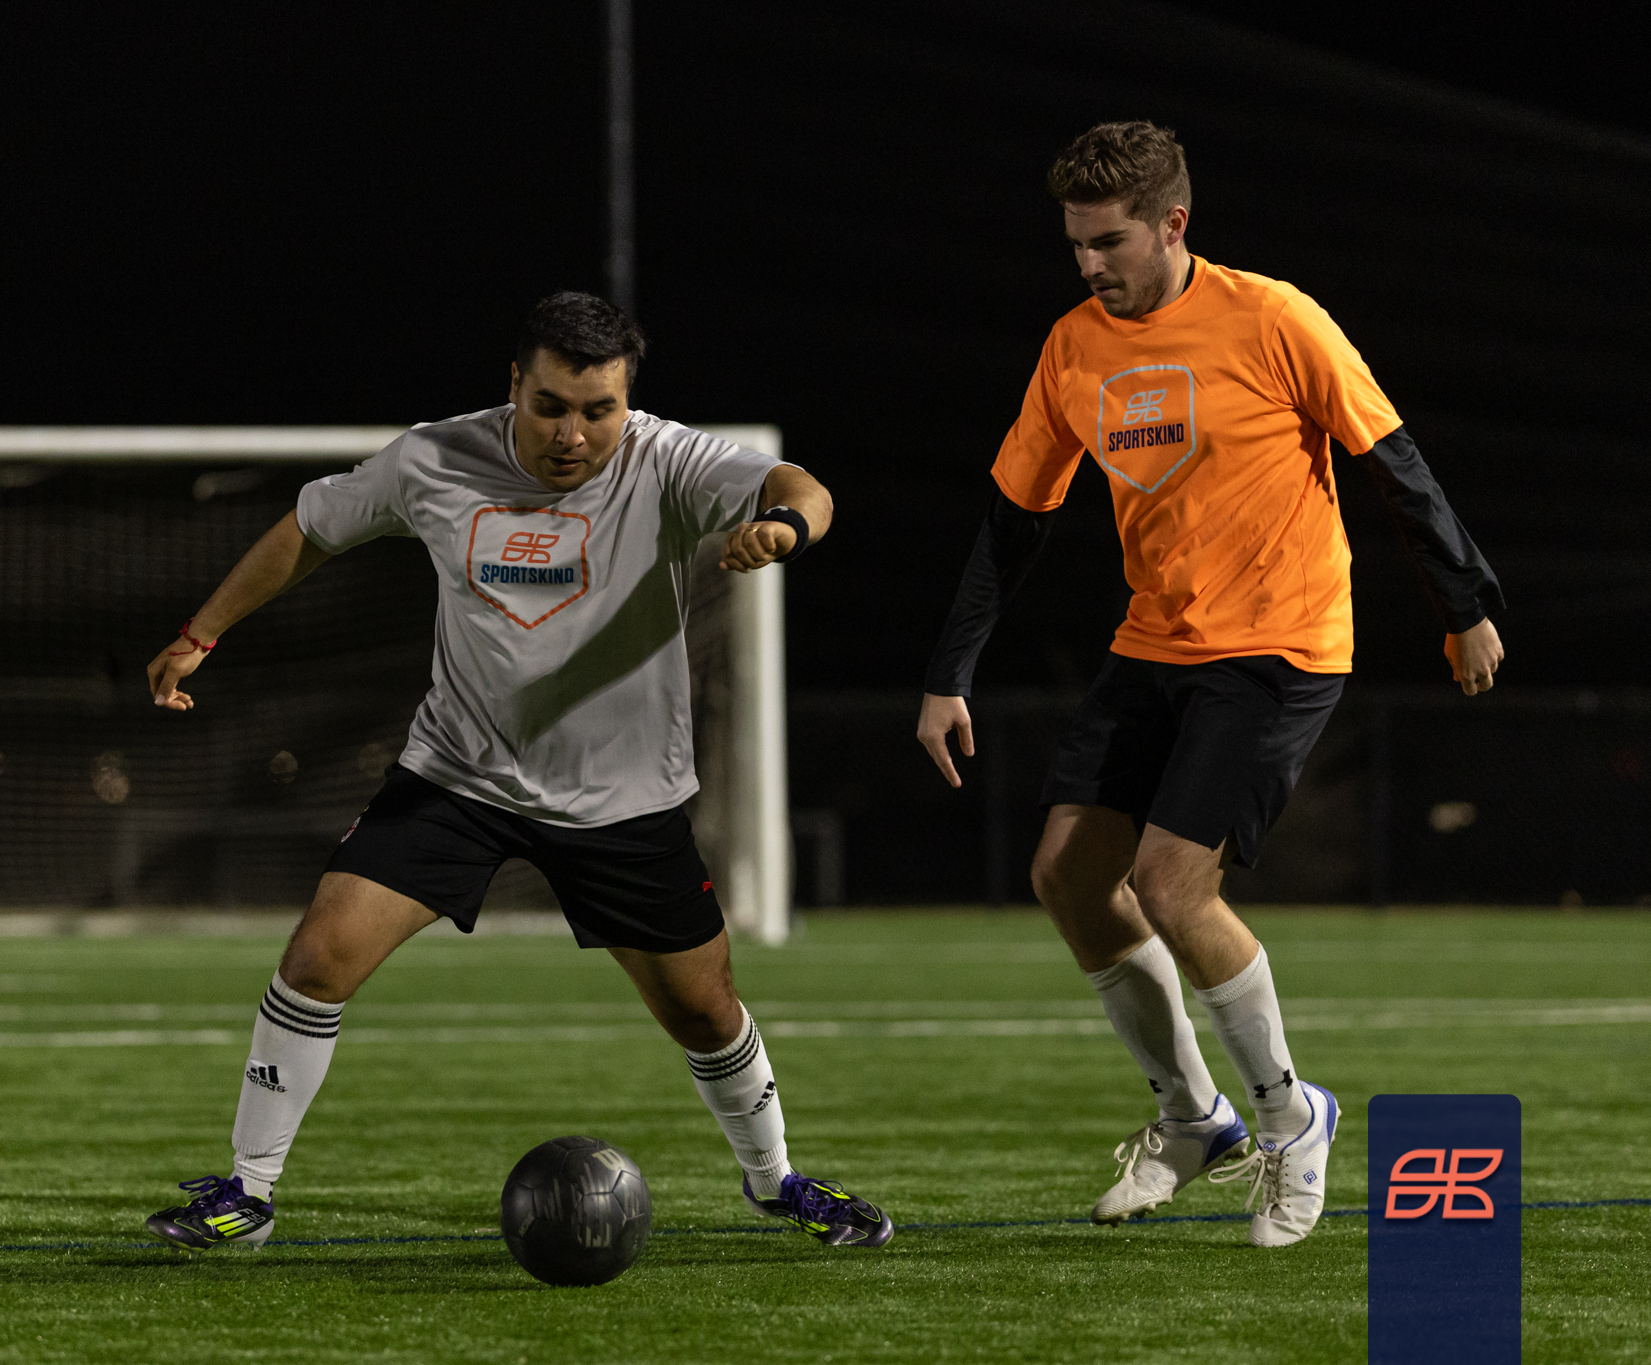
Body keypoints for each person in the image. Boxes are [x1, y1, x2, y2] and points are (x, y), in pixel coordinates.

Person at [139, 290, 891, 1251]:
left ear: (627, 398)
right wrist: (201, 632)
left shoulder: (666, 460)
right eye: (551, 407)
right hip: (459, 778)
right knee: (318, 955)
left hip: (623, 799)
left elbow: (803, 486)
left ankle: (775, 1180)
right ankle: (247, 1193)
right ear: (515, 386)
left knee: (705, 1009)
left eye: (599, 410)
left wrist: (784, 527)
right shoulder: (435, 457)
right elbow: (310, 527)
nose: (573, 434)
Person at [915, 123, 1504, 1248]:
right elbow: (1013, 521)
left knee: (1172, 884)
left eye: (1108, 242)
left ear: (1171, 224)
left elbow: (1392, 460)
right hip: (1157, 641)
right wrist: (948, 674)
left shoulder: (1274, 318)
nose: (1088, 264)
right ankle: (1194, 1118)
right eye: (1075, 243)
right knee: (1066, 873)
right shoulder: (1072, 346)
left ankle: (1292, 1118)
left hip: (1281, 642)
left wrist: (1464, 604)